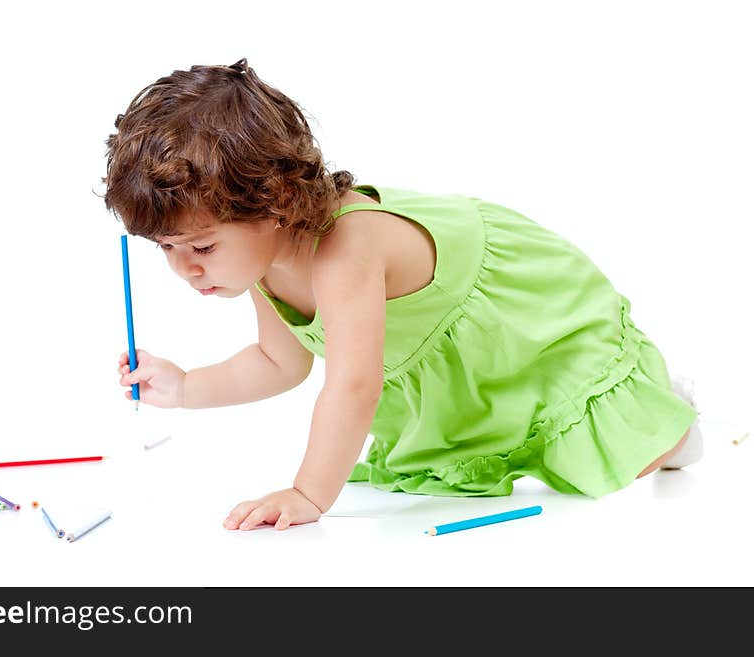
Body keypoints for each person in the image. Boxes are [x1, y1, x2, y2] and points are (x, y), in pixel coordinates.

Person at [102, 58, 703, 531]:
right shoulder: (264, 258)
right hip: (459, 359)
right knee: (508, 445)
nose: (184, 269)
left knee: (621, 457)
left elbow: (354, 387)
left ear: (278, 202)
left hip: (521, 323)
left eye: (201, 248)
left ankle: (665, 410)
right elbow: (277, 362)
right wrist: (185, 388)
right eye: (165, 248)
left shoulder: (345, 248)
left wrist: (310, 492)